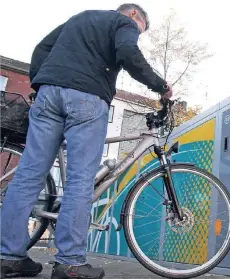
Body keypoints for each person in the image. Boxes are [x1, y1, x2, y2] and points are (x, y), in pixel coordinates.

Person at [0, 4, 172, 279]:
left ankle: (8, 258)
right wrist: (161, 87)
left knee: (28, 175)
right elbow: (128, 53)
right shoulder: (124, 24)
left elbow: (41, 50)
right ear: (133, 15)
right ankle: (69, 262)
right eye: (141, 29)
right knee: (81, 181)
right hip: (87, 98)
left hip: (48, 96)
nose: (137, 33)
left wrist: (40, 84)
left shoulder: (80, 18)